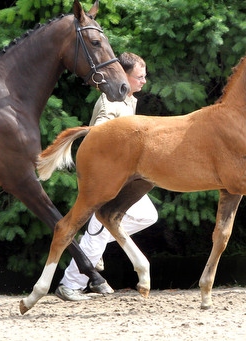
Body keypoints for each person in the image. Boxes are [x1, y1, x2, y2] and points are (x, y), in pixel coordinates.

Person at [55, 52, 158, 301]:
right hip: (107, 178)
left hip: (126, 178)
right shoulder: (110, 101)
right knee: (99, 230)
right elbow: (97, 134)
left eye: (145, 76)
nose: (144, 81)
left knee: (147, 216)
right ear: (124, 76)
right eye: (139, 77)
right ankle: (69, 284)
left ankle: (92, 246)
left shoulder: (129, 100)